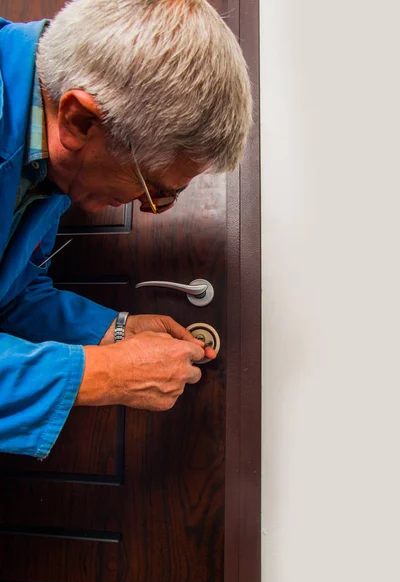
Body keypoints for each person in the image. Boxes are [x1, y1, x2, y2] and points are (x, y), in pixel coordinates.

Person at [0, 0, 252, 458]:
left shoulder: (54, 161)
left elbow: (13, 295)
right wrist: (103, 374)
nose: (148, 206)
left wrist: (117, 331)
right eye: (153, 188)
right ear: (80, 120)